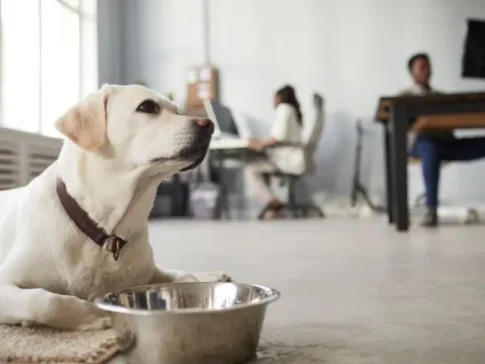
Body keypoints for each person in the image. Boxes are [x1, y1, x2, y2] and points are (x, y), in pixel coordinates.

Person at [402, 53, 485, 227]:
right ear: (412, 72)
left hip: (446, 143)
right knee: (430, 146)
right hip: (419, 145)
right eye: (422, 67)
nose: (427, 70)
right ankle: (431, 209)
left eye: (429, 66)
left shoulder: (441, 96)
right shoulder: (403, 96)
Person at [245, 85, 305, 218]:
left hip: (287, 158)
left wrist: (258, 143)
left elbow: (278, 137)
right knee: (263, 168)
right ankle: (275, 208)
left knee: (251, 168)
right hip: (292, 156)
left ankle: (273, 202)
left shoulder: (284, 108)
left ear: (278, 97)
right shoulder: (293, 111)